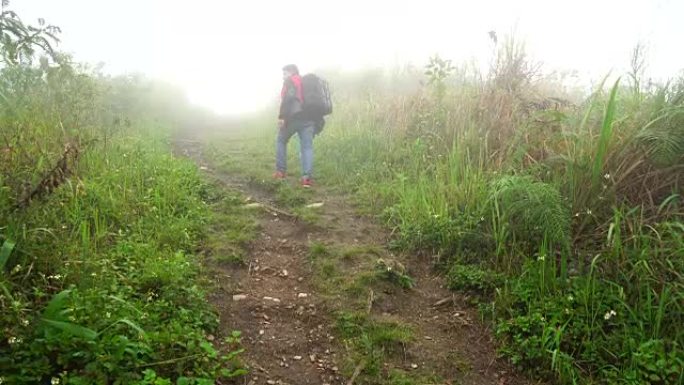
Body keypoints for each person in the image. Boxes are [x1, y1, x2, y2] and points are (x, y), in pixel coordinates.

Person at [274, 64, 316, 188]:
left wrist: (282, 116)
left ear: (291, 72)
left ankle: (280, 172)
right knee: (307, 148)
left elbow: (288, 98)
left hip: (294, 117)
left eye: (284, 73)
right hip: (309, 119)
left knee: (281, 140)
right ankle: (306, 179)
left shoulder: (291, 81)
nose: (283, 76)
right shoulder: (305, 82)